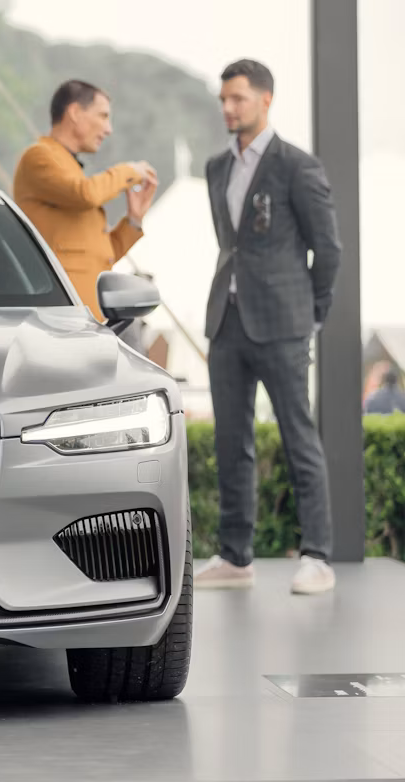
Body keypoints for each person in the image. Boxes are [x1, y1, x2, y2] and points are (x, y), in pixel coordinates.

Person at [194, 59, 342, 595]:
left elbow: (327, 250)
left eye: (238, 98)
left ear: (265, 99)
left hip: (283, 322)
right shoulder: (217, 167)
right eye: (224, 99)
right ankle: (235, 557)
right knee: (231, 442)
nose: (229, 108)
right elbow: (229, 243)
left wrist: (313, 311)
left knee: (298, 437)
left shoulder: (296, 166)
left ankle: (317, 557)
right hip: (226, 320)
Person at [12, 79, 158, 321]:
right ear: (75, 113)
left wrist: (133, 221)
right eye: (103, 116)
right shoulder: (39, 157)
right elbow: (86, 194)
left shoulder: (69, 171)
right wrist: (129, 170)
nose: (109, 129)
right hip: (61, 317)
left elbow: (102, 256)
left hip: (88, 318)